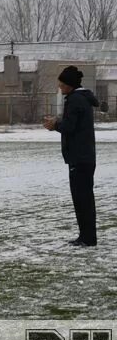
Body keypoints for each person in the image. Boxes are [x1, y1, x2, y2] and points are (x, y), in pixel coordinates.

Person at [43, 66, 100, 247]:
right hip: (85, 156)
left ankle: (87, 238)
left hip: (79, 157)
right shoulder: (83, 99)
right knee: (85, 198)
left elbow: (70, 126)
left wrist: (54, 125)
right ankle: (86, 236)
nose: (59, 86)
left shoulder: (75, 100)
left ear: (69, 84)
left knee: (81, 199)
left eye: (61, 83)